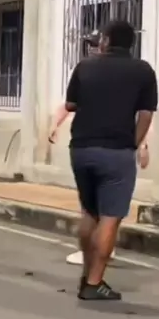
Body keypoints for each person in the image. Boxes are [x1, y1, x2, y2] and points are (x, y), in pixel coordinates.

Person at [61, 19, 157, 301]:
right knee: (110, 218)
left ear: (105, 40)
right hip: (117, 151)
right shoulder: (143, 71)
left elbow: (70, 104)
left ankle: (86, 274)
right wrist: (133, 144)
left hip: (81, 149)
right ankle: (94, 283)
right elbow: (146, 114)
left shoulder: (85, 66)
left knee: (89, 212)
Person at [49, 31, 117, 265]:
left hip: (101, 145)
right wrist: (54, 125)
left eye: (95, 45)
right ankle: (102, 246)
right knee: (98, 200)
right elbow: (68, 105)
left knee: (96, 202)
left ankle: (95, 249)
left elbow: (138, 110)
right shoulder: (89, 72)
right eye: (89, 46)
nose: (91, 50)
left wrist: (144, 143)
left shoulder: (104, 74)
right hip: (98, 145)